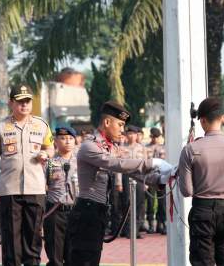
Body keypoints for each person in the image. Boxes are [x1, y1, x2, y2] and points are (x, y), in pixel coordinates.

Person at [68, 101, 172, 266]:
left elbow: (130, 170)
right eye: (120, 125)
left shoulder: (110, 147)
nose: (123, 130)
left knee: (92, 260)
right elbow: (116, 164)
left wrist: (160, 180)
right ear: (107, 122)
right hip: (87, 212)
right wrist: (152, 163)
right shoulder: (90, 146)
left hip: (98, 212)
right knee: (83, 261)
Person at [0, 84, 54, 266]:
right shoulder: (0, 127)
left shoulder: (41, 125)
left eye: (27, 101)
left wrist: (46, 154)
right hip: (9, 189)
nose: (24, 105)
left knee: (33, 237)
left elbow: (50, 147)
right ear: (11, 103)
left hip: (36, 188)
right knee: (11, 239)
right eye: (20, 102)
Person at [177, 97, 224, 266]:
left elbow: (187, 191)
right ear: (222, 117)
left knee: (203, 260)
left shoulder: (191, 149)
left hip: (202, 211)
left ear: (202, 120)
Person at [43, 126, 78, 266]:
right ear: (55, 141)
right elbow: (42, 186)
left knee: (73, 256)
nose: (67, 141)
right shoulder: (50, 162)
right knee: (55, 256)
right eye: (63, 138)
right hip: (55, 212)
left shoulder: (81, 162)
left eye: (70, 138)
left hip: (76, 212)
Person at [120, 125, 147, 239]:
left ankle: (136, 229)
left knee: (139, 203)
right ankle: (128, 230)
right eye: (129, 134)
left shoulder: (142, 148)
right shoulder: (122, 148)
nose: (131, 136)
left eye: (133, 134)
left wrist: (146, 181)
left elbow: (146, 166)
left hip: (139, 177)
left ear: (137, 135)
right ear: (126, 135)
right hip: (127, 176)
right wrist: (118, 182)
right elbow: (118, 166)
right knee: (127, 203)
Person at [145, 127, 167, 234]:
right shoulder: (146, 148)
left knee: (162, 202)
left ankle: (161, 223)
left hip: (161, 177)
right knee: (150, 202)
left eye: (156, 137)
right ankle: (150, 224)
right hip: (150, 178)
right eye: (153, 137)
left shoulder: (164, 148)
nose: (154, 139)